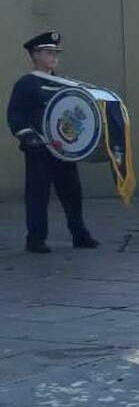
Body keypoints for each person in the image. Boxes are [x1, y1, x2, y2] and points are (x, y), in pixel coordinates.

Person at [7, 31, 100, 253]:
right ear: (35, 55)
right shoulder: (27, 83)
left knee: (72, 193)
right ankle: (36, 239)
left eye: (55, 53)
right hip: (39, 149)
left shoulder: (63, 84)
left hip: (65, 149)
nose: (54, 57)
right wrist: (30, 138)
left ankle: (79, 234)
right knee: (38, 195)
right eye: (49, 52)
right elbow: (16, 116)